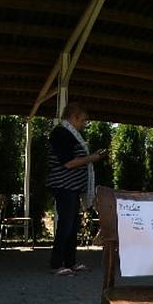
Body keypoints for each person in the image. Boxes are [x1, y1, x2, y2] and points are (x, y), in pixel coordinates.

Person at [47, 103, 106, 276]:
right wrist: (92, 158)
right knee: (66, 225)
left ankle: (70, 262)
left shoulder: (70, 134)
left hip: (71, 187)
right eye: (83, 120)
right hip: (64, 186)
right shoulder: (61, 133)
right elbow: (68, 163)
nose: (84, 124)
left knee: (72, 225)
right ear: (73, 117)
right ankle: (56, 264)